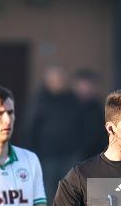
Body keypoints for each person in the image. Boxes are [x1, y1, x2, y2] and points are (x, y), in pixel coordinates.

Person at [24, 66, 82, 198]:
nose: (57, 83)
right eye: (54, 80)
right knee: (48, 190)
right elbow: (31, 126)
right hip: (47, 154)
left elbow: (81, 124)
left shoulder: (72, 100)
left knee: (71, 190)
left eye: (60, 80)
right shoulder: (40, 100)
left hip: (70, 154)